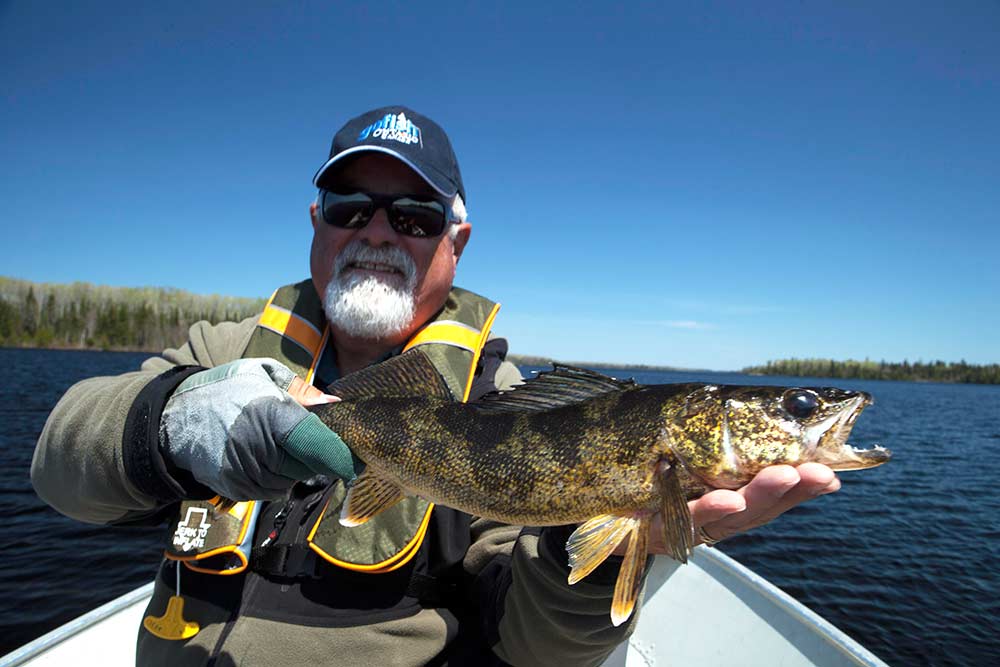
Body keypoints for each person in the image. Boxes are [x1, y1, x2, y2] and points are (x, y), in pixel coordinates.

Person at [31, 106, 842, 667]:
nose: (379, 231)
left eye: (414, 217)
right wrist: (170, 421)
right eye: (352, 207)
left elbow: (531, 647)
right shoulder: (224, 350)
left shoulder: (496, 398)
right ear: (316, 222)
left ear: (457, 241)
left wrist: (596, 555)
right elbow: (58, 466)